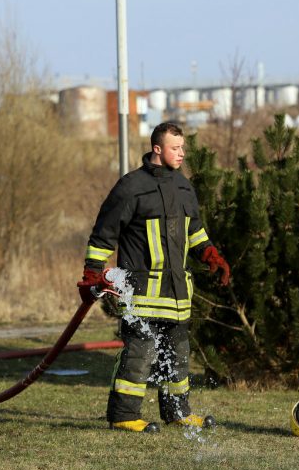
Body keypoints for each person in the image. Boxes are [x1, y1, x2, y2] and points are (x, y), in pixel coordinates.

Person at [78, 122, 230, 433]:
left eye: (183, 148)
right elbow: (105, 233)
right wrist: (92, 272)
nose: (182, 154)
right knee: (140, 353)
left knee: (178, 355)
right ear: (157, 149)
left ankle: (177, 413)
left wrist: (211, 255)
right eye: (176, 148)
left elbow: (195, 231)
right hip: (142, 292)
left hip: (176, 294)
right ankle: (123, 415)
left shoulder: (185, 188)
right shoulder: (131, 187)